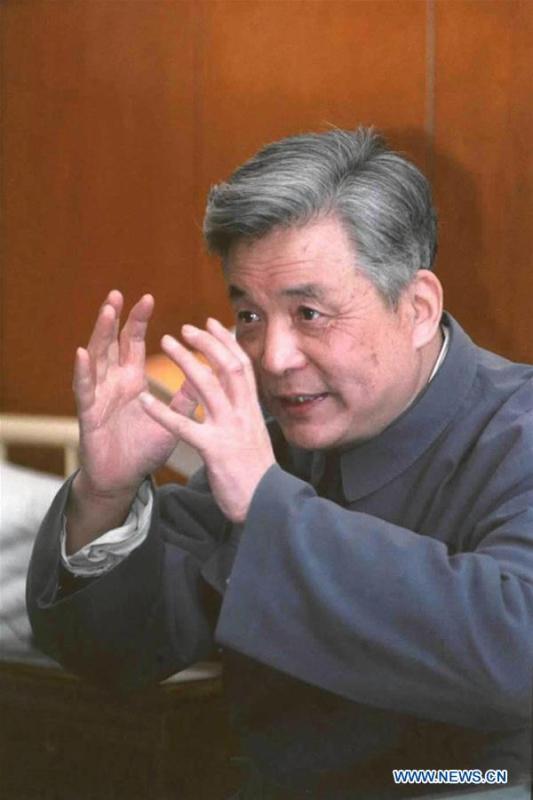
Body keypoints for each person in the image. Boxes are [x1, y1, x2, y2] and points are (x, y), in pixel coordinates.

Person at [27, 128, 532, 799]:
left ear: (416, 309)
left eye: (309, 313)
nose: (273, 357)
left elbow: (514, 656)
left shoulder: (517, 430)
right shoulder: (274, 443)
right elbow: (116, 652)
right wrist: (105, 493)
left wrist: (268, 504)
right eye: (249, 315)